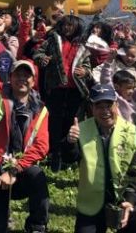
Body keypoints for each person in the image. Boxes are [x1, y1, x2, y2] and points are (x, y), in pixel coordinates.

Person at [0, 32, 49, 233]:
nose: (22, 79)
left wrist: (15, 168)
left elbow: (42, 147)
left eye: (27, 75)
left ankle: (37, 226)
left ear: (34, 81)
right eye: (18, 74)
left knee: (38, 176)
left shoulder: (40, 110)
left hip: (20, 170)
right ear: (10, 78)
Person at [64, 85, 136, 233]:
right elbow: (69, 158)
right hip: (92, 201)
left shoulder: (132, 132)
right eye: (99, 106)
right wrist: (70, 142)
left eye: (109, 106)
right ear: (92, 108)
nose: (105, 112)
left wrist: (130, 201)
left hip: (123, 196)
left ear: (117, 105)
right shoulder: (81, 129)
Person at [33, 14, 91, 171]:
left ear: (77, 27)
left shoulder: (83, 46)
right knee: (54, 123)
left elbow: (88, 67)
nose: (67, 28)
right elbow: (37, 53)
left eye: (70, 25)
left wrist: (85, 72)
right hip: (56, 89)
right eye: (64, 25)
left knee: (72, 122)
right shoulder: (52, 39)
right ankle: (55, 155)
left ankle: (69, 156)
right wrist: (42, 59)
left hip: (75, 92)